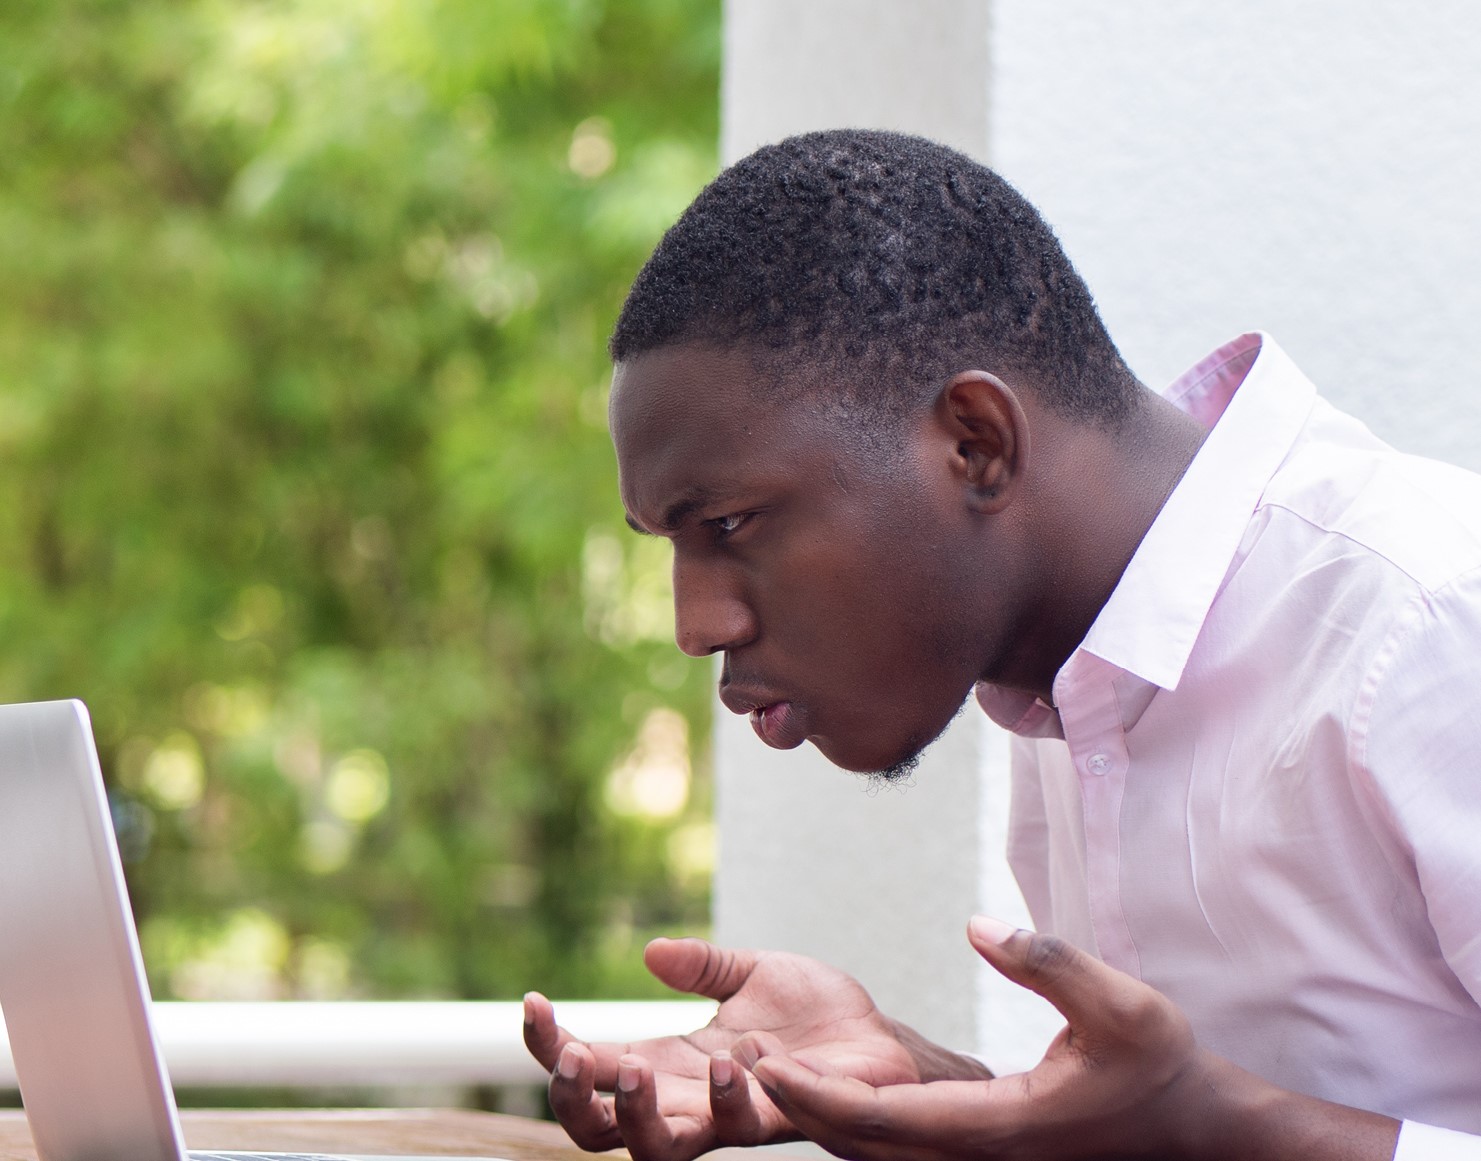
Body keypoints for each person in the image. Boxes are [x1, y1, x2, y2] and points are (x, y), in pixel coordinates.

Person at [522, 129, 1481, 1160]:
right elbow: (1178, 1103)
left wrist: (1220, 1128)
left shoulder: (1425, 621)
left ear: (973, 444)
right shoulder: (1076, 686)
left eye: (728, 525)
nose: (694, 625)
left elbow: (1207, 1116)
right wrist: (937, 1094)